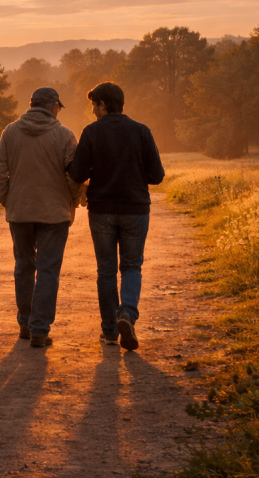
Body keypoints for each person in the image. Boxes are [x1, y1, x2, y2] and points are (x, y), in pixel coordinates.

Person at [67, 82, 164, 351]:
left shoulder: (92, 132)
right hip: (135, 210)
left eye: (94, 106)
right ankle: (127, 314)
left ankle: (110, 331)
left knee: (106, 270)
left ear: (103, 105)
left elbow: (76, 174)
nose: (93, 112)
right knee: (132, 266)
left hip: (102, 212)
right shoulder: (142, 131)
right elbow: (157, 176)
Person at [0, 87, 82, 348]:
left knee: (23, 265)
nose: (59, 111)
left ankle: (25, 324)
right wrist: (72, 201)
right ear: (53, 106)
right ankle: (40, 329)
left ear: (32, 106)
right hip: (54, 214)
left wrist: (8, 200)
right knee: (48, 271)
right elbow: (74, 176)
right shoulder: (65, 135)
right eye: (59, 107)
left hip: (19, 212)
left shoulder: (10, 132)